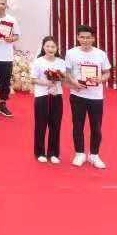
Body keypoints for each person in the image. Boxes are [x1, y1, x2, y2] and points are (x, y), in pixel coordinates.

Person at [65, 25, 111, 169]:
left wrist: (101, 79)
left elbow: (107, 73)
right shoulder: (71, 53)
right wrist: (74, 83)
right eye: (82, 37)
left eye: (88, 38)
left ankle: (94, 155)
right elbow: (67, 73)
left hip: (96, 97)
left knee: (96, 127)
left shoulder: (100, 54)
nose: (85, 40)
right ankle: (79, 153)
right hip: (77, 95)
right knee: (78, 126)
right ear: (77, 38)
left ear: (93, 38)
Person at [31, 36, 65, 164]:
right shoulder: (38, 61)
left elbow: (63, 78)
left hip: (57, 95)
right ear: (43, 47)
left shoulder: (61, 62)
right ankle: (40, 152)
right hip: (42, 96)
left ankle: (53, 153)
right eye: (48, 46)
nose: (50, 49)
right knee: (41, 124)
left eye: (53, 46)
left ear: (57, 48)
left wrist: (58, 78)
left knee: (55, 124)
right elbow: (33, 79)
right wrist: (47, 83)